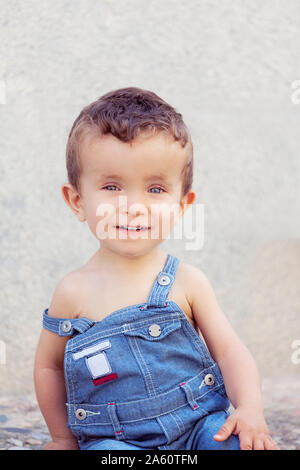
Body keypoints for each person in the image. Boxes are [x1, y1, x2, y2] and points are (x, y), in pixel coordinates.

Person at [34, 87, 278, 450]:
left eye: (156, 189)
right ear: (77, 199)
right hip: (114, 440)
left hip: (199, 426)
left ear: (182, 204)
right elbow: (49, 367)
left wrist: (251, 409)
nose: (134, 206)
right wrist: (62, 438)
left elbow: (229, 351)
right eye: (112, 186)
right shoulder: (73, 291)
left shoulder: (188, 282)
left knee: (235, 443)